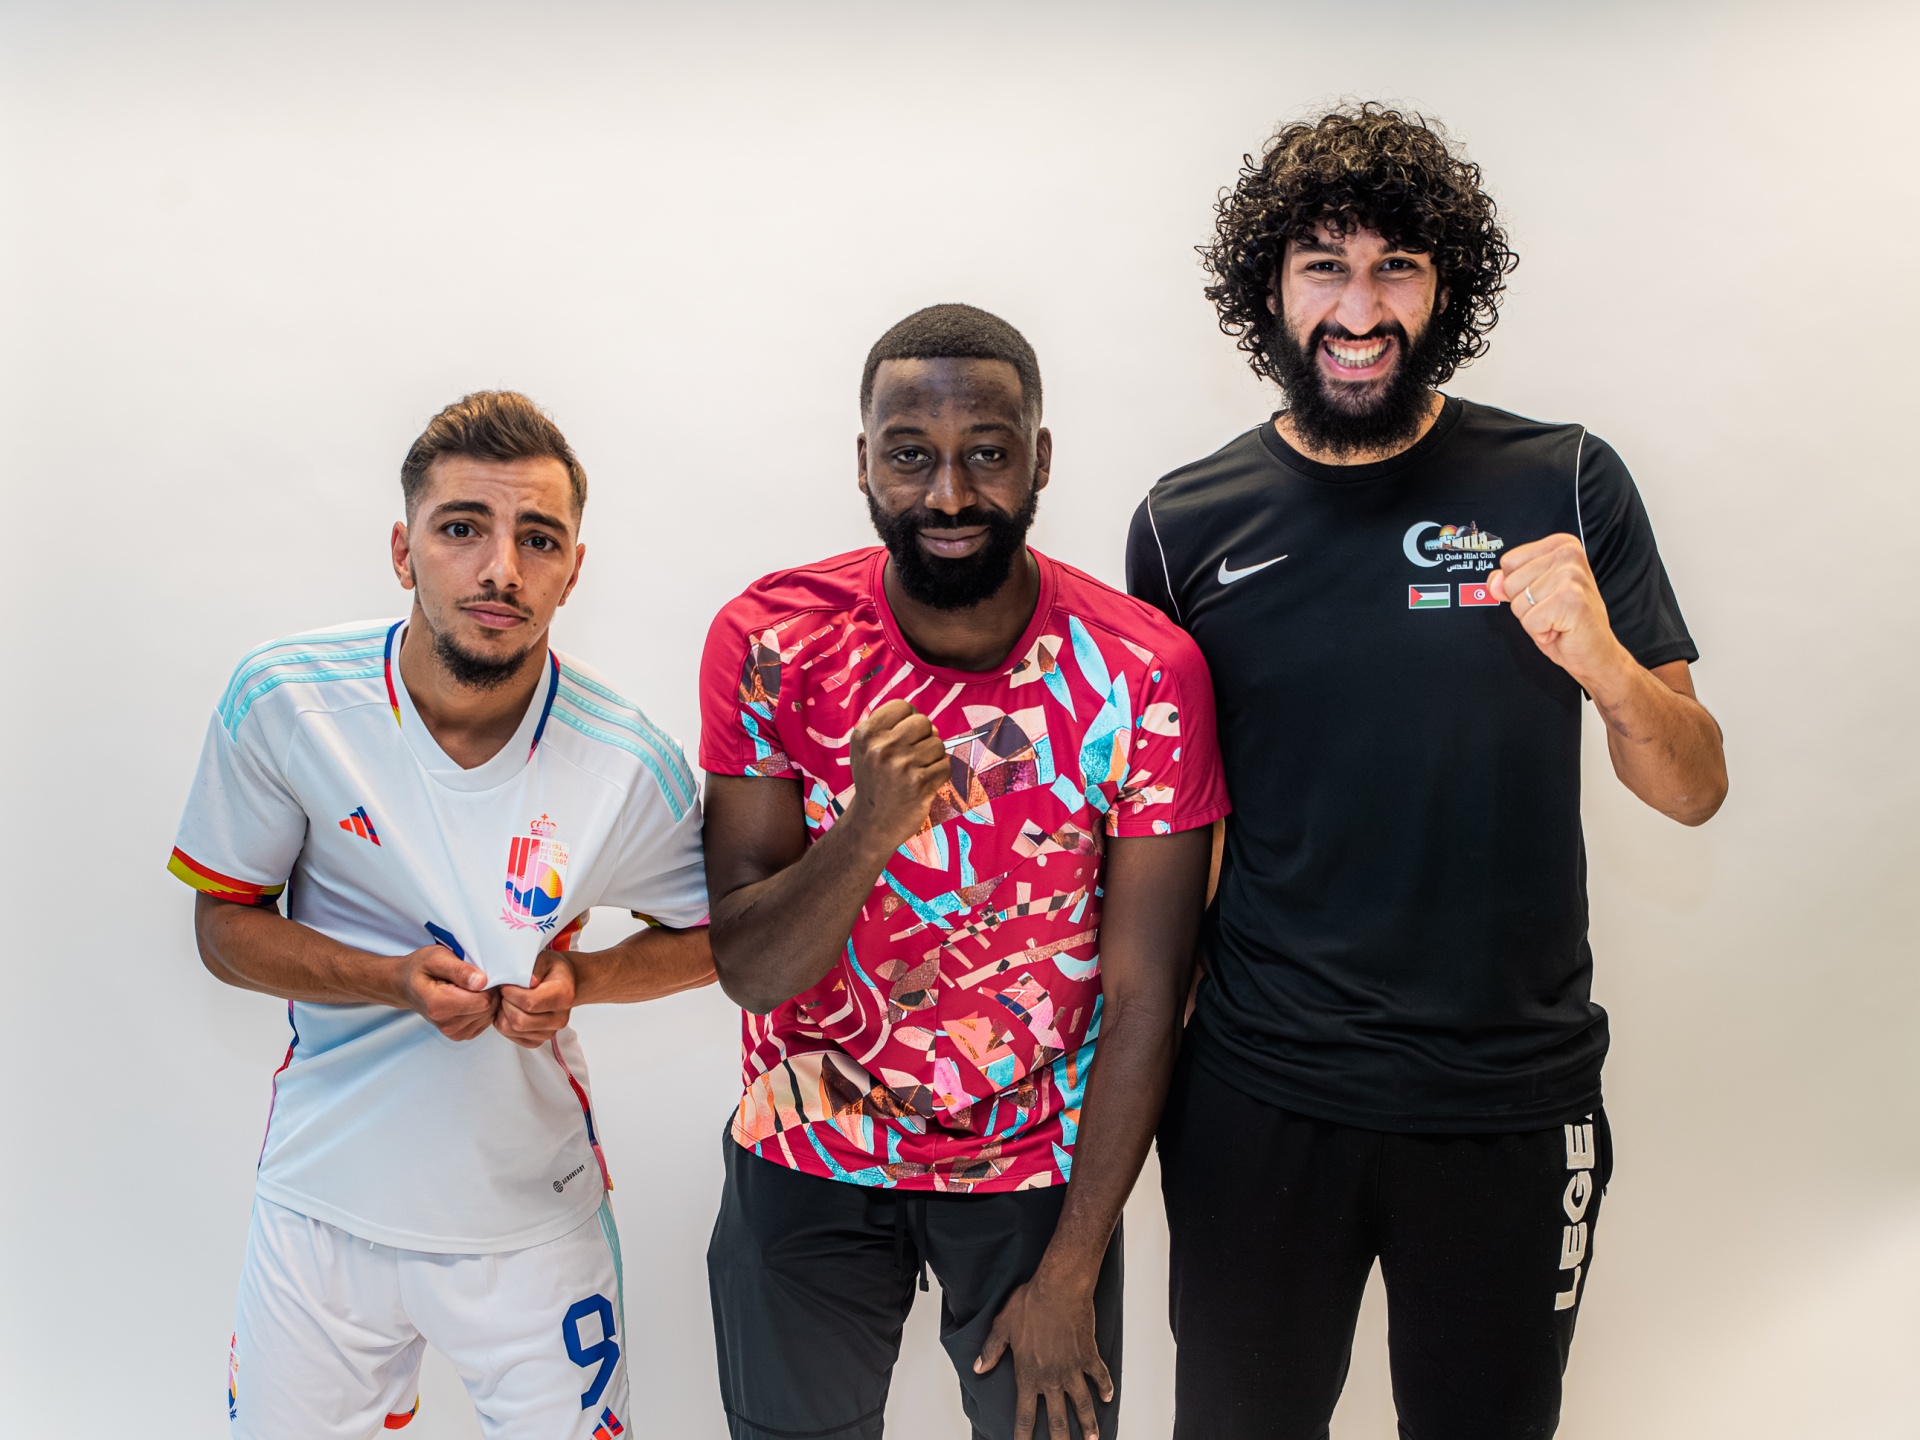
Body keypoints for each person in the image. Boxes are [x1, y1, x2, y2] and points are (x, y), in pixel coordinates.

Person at [1128, 105, 1729, 1439]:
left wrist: (1606, 664)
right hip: (1259, 1097)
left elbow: (1692, 785)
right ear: (1269, 289)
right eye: (1324, 266)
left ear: (1444, 285)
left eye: (1395, 266)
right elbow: (1178, 833)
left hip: (1507, 1101)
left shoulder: (1564, 481)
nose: (1360, 309)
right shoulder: (1181, 525)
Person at [699, 304, 1229, 1440]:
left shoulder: (1143, 670)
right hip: (807, 1144)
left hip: (1038, 1178)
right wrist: (869, 828)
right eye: (911, 455)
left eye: (987, 452)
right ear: (863, 464)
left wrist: (1073, 1268)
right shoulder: (773, 641)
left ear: (1041, 457)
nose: (948, 495)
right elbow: (750, 967)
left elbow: (1149, 990)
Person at [171, 391, 712, 1439]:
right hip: (323, 1206)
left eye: (537, 538)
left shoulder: (626, 759)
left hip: (532, 1219)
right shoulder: (285, 699)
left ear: (573, 569)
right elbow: (223, 928)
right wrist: (389, 982)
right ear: (402, 549)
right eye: (462, 527)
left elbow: (719, 938)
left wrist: (587, 979)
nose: (500, 567)